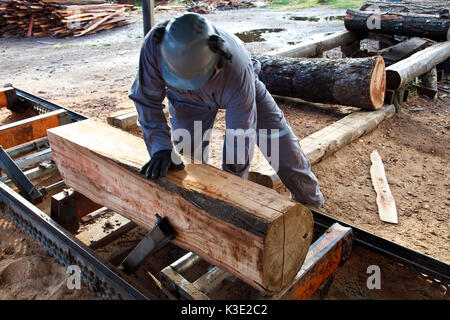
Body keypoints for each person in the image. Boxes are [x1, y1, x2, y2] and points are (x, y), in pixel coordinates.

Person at [129, 13, 324, 208]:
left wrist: (232, 186)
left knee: (280, 144)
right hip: (185, 101)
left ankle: (312, 205)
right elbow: (146, 100)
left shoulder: (237, 69)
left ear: (217, 59)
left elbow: (240, 134)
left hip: (238, 89)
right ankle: (190, 209)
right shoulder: (155, 45)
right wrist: (160, 147)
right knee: (187, 159)